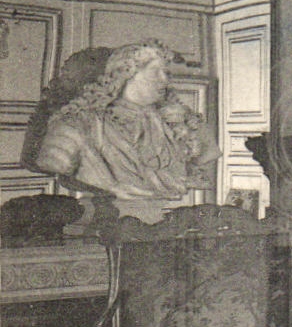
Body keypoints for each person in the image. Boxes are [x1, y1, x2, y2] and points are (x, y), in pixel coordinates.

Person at [31, 42, 217, 206]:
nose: (165, 80)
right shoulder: (78, 125)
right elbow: (54, 162)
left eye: (166, 72)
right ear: (126, 74)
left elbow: (205, 159)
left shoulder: (180, 124)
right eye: (155, 72)